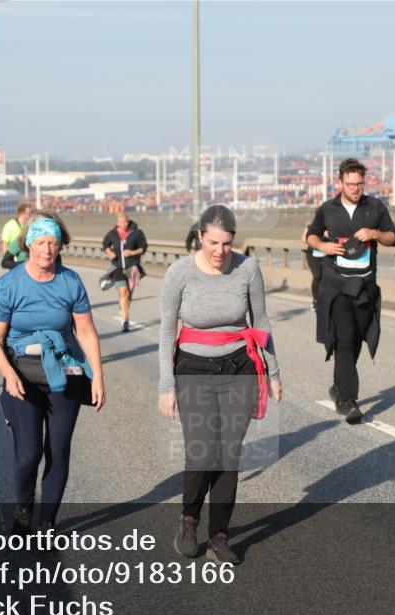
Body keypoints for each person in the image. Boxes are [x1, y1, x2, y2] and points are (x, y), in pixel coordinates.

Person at [158, 204, 282, 565]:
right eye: (212, 242)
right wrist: (167, 386)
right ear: (199, 237)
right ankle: (189, 519)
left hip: (239, 367)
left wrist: (273, 373)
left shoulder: (247, 269)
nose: (219, 251)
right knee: (201, 452)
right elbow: (167, 332)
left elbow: (261, 322)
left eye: (227, 244)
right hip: (193, 369)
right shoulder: (179, 273)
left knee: (229, 456)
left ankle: (219, 536)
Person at [0, 212, 105, 534]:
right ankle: (24, 508)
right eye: (40, 243)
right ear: (28, 244)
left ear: (60, 245)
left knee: (58, 450)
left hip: (63, 374)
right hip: (22, 377)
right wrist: (8, 375)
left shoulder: (70, 281)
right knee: (28, 455)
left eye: (53, 243)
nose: (47, 250)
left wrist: (97, 377)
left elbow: (87, 332)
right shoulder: (10, 285)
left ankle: (47, 523)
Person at [306, 158, 395, 424]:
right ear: (340, 182)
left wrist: (375, 234)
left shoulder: (375, 207)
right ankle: (348, 401)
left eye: (359, 184)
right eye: (350, 184)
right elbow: (311, 236)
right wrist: (322, 247)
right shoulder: (328, 209)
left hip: (365, 284)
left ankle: (338, 387)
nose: (355, 188)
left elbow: (393, 237)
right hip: (336, 284)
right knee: (345, 338)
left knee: (357, 337)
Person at [102, 212, 148, 332]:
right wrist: (109, 252)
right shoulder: (112, 234)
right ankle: (125, 320)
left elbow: (143, 248)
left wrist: (131, 253)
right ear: (117, 223)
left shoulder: (136, 233)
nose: (123, 224)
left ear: (128, 222)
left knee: (129, 296)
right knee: (123, 292)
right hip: (117, 267)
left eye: (125, 222)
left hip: (132, 267)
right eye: (121, 222)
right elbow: (105, 244)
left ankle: (123, 308)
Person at [1, 203, 32, 270]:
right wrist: (8, 260)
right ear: (21, 213)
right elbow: (5, 244)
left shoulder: (28, 226)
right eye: (28, 213)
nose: (30, 215)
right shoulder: (10, 225)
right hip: (15, 260)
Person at [301, 222, 325, 307]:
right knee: (317, 276)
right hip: (313, 255)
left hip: (327, 255)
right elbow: (303, 239)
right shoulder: (310, 227)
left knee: (326, 278)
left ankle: (324, 299)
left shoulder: (331, 226)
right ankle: (315, 300)